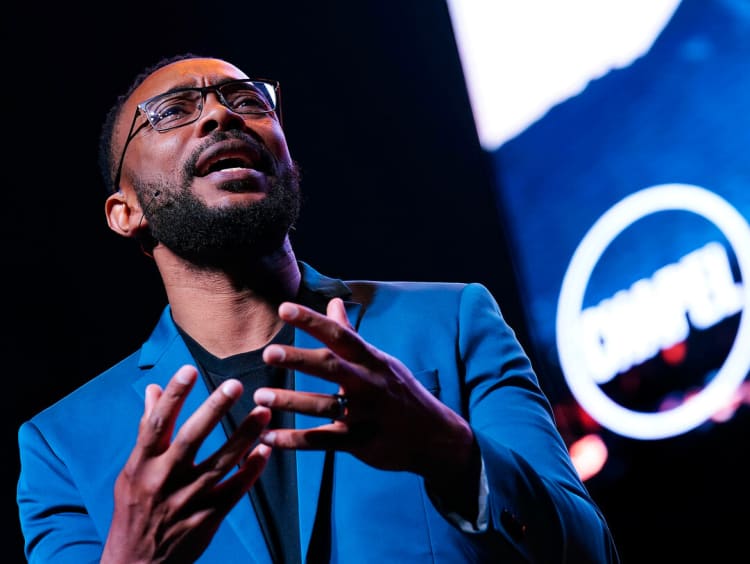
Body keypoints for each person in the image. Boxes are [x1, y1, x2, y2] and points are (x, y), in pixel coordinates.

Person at [16, 53, 620, 563]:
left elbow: (590, 552)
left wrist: (450, 452)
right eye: (173, 112)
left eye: (247, 99)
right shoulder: (60, 447)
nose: (222, 114)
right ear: (127, 213)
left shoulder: (454, 322)